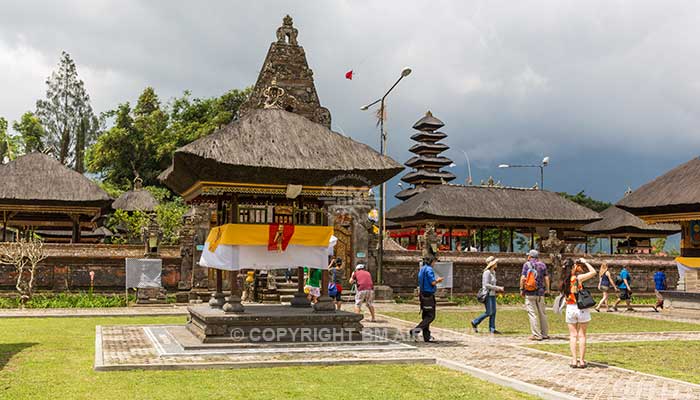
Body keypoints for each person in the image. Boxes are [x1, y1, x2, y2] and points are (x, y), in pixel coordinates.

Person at [562, 258, 597, 368]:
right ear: (573, 267)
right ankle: (581, 360)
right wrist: (585, 262)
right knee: (582, 336)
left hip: (570, 308)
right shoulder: (578, 278)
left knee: (573, 336)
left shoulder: (564, 280)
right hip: (581, 307)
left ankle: (573, 360)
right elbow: (593, 272)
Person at [411, 255, 443, 342]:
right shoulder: (429, 269)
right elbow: (432, 282)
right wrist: (438, 280)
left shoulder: (422, 269)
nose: (434, 263)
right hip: (428, 295)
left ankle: (426, 336)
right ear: (431, 262)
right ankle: (416, 330)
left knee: (426, 315)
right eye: (434, 262)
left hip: (422, 294)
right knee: (431, 316)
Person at [520, 249, 550, 341]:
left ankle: (536, 335)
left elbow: (523, 278)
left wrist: (521, 289)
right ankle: (544, 334)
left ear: (530, 257)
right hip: (540, 292)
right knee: (542, 313)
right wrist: (547, 290)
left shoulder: (526, 265)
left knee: (532, 314)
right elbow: (546, 278)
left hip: (530, 292)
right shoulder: (542, 265)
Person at [471, 256, 504, 334]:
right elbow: (486, 285)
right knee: (489, 312)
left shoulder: (493, 272)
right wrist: (498, 288)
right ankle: (475, 322)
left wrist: (496, 289)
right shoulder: (487, 272)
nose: (497, 263)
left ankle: (492, 328)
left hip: (492, 294)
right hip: (487, 294)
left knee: (494, 312)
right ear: (492, 264)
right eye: (495, 262)